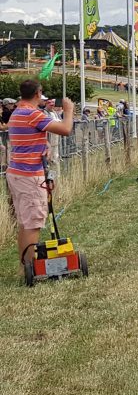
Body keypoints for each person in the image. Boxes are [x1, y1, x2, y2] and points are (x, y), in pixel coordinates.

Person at [9, 79, 73, 270]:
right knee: (33, 223)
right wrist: (68, 111)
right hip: (29, 176)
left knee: (25, 222)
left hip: (17, 173)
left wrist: (41, 144)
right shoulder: (32, 114)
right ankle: (31, 268)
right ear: (38, 93)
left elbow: (27, 139)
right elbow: (65, 129)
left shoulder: (17, 112)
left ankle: (25, 266)